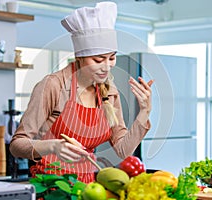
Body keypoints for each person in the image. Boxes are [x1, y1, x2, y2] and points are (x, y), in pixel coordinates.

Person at [9, 1, 153, 183]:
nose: (106, 67)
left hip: (89, 188)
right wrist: (53, 146)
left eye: (112, 58)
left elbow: (123, 150)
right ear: (80, 58)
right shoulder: (53, 85)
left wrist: (144, 112)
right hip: (51, 187)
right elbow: (16, 145)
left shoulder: (109, 92)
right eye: (98, 59)